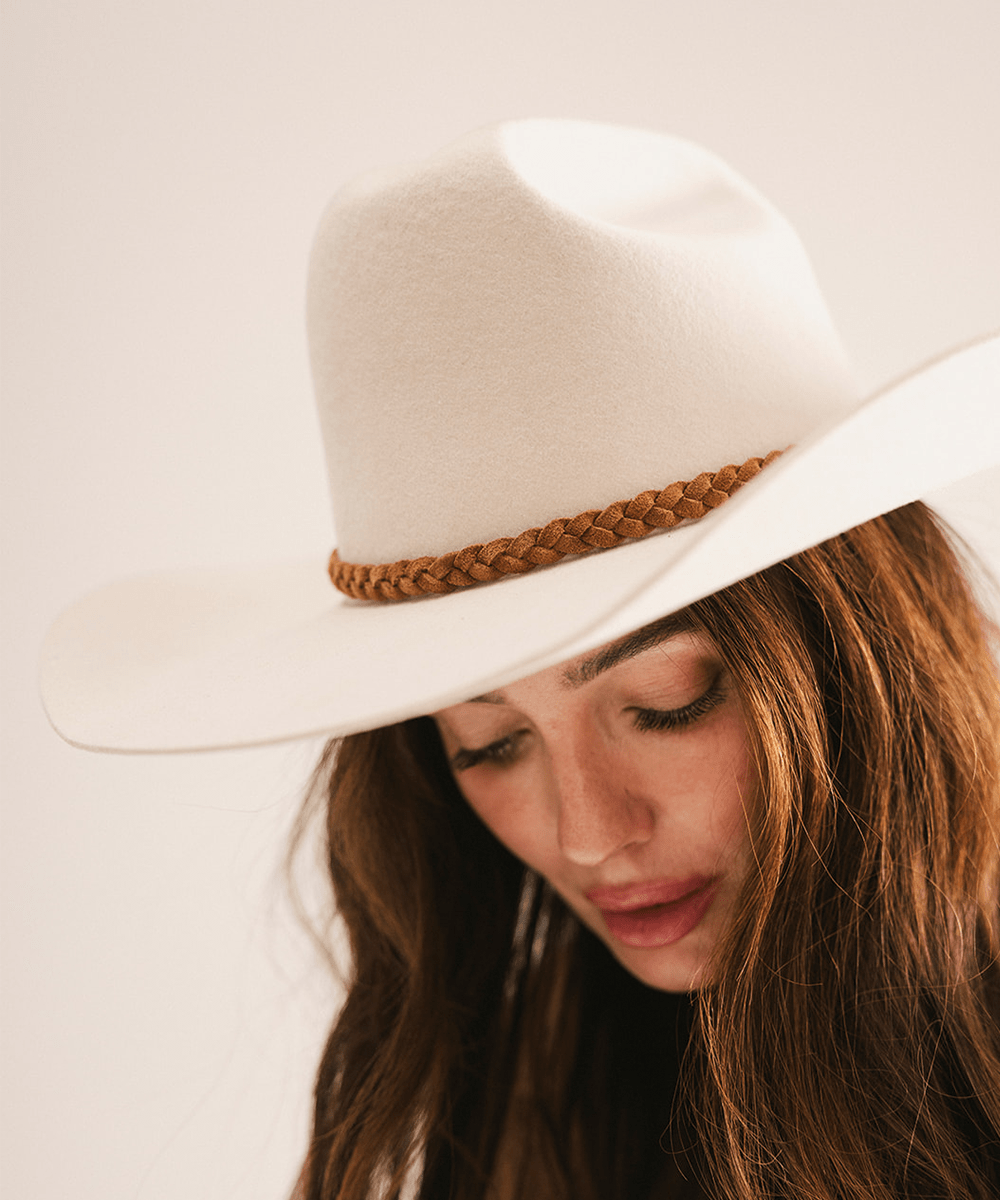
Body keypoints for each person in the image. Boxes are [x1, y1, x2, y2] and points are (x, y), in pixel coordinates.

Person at [41, 120, 1000, 1199]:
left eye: (667, 704)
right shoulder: (542, 1093)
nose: (587, 835)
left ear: (863, 654)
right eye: (488, 743)